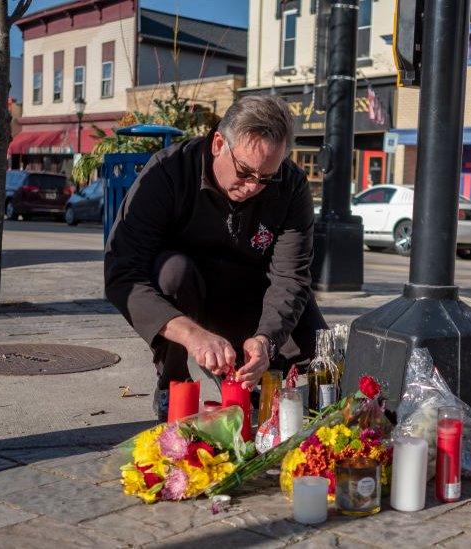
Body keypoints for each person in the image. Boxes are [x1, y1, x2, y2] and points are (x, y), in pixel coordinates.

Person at [104, 96, 326, 420]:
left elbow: (291, 277)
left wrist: (266, 339)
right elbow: (121, 272)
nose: (252, 187)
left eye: (266, 178)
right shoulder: (169, 172)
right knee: (173, 272)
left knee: (318, 344)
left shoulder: (290, 185)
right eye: (245, 172)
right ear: (219, 143)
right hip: (187, 291)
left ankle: (264, 389)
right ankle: (174, 382)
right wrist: (191, 335)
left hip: (253, 291)